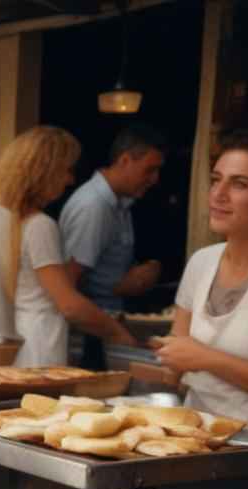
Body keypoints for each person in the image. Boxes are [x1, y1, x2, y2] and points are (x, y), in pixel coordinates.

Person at [0, 126, 136, 366]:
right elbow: (68, 305)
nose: (70, 179)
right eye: (66, 170)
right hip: (38, 344)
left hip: (6, 341)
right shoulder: (40, 225)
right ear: (44, 173)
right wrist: (117, 332)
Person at [159, 129, 248, 433]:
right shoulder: (202, 262)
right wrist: (172, 360)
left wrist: (207, 359)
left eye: (240, 184)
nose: (218, 194)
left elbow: (197, 356)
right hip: (194, 445)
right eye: (215, 179)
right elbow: (177, 364)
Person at [61, 124, 167, 366]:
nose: (155, 179)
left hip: (109, 325)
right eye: (149, 170)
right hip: (92, 334)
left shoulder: (119, 202)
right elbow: (70, 281)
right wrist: (121, 286)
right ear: (125, 160)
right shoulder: (94, 206)